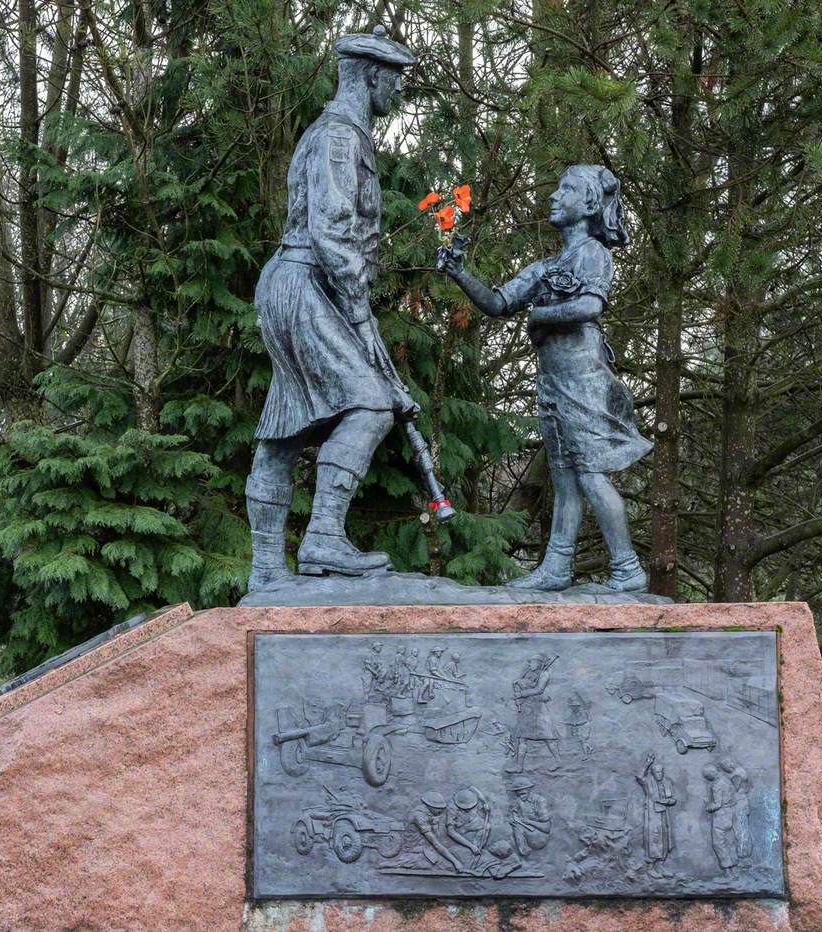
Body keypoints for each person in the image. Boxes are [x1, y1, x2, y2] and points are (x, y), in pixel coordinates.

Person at [245, 26, 419, 590]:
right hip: (308, 281)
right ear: (372, 75)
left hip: (295, 282)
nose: (396, 94)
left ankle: (268, 571)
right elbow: (333, 228)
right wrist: (361, 313)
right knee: (371, 405)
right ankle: (323, 536)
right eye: (393, 80)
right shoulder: (342, 136)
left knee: (285, 432)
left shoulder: (333, 132)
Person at [437, 165, 652, 591]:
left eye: (566, 189)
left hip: (584, 376)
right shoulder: (545, 267)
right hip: (553, 381)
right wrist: (459, 272)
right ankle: (556, 567)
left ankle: (628, 570)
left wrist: (540, 316)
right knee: (565, 478)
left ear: (589, 203)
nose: (554, 196)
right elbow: (498, 303)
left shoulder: (593, 252)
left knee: (590, 474)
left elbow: (590, 307)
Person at [506, 654, 562, 773]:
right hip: (527, 708)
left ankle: (558, 761)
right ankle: (519, 766)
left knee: (548, 737)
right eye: (530, 662)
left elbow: (539, 690)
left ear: (539, 663)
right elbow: (523, 685)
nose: (530, 664)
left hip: (539, 709)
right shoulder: (528, 673)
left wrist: (522, 694)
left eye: (532, 662)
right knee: (522, 738)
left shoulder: (544, 674)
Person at [399, 792, 463, 873]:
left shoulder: (429, 813)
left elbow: (437, 838)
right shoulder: (419, 815)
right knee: (448, 866)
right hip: (416, 849)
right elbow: (435, 843)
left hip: (428, 847)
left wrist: (435, 825)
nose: (441, 810)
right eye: (438, 808)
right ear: (430, 806)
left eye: (442, 808)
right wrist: (455, 862)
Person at [634, 753, 676, 876]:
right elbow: (639, 777)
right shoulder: (648, 782)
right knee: (654, 838)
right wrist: (647, 764)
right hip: (652, 815)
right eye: (657, 772)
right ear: (653, 773)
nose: (660, 774)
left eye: (661, 772)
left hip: (664, 814)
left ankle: (660, 866)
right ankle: (651, 868)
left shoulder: (666, 782)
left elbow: (673, 799)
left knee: (664, 838)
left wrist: (668, 801)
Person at [703, 763, 739, 870]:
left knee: (718, 843)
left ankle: (727, 869)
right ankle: (735, 865)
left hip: (721, 816)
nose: (707, 778)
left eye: (707, 776)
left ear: (711, 774)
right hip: (729, 813)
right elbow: (734, 798)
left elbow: (717, 804)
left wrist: (708, 806)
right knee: (729, 840)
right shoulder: (727, 781)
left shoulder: (717, 785)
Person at [506, 776, 552, 857]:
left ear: (529, 790)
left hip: (540, 837)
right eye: (518, 795)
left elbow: (547, 828)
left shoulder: (539, 801)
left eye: (523, 794)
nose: (521, 797)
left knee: (517, 827)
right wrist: (513, 817)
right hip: (526, 835)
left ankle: (523, 851)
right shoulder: (517, 802)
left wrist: (528, 821)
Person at [719, 757, 752, 860]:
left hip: (738, 803)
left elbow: (733, 790)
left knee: (740, 829)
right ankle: (744, 853)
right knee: (742, 828)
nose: (726, 770)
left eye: (725, 768)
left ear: (729, 764)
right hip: (742, 801)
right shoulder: (741, 770)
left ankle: (743, 854)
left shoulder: (736, 775)